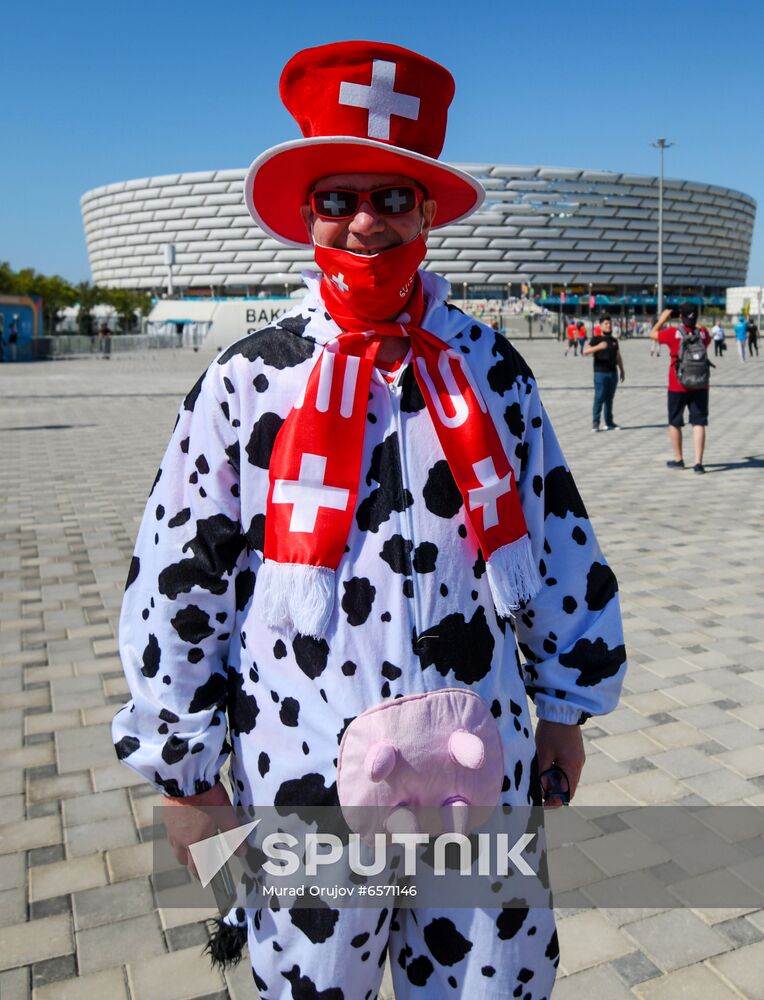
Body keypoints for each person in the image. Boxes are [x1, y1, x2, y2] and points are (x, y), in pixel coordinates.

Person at [112, 40, 627, 998]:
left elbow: (560, 540)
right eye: (339, 198)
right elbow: (180, 579)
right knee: (313, 981)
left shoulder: (489, 368)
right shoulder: (248, 378)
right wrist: (185, 780)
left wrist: (567, 708)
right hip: (301, 761)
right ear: (308, 213)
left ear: (427, 210)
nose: (365, 221)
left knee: (487, 980)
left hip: (479, 757)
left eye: (392, 197)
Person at [649, 303, 711, 474]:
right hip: (700, 383)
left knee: (675, 422)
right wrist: (695, 324)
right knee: (698, 422)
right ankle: (698, 463)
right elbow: (708, 337)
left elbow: (652, 334)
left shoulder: (672, 333)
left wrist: (662, 319)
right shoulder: (703, 333)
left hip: (677, 384)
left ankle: (679, 459)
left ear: (680, 317)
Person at [583, 314, 625, 430]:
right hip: (600, 373)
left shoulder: (614, 340)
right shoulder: (596, 339)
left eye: (610, 323)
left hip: (613, 373)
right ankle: (595, 422)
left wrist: (622, 369)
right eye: (606, 324)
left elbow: (618, 356)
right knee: (599, 397)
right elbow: (585, 351)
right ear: (600, 326)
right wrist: (599, 347)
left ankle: (609, 422)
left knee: (609, 399)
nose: (609, 326)